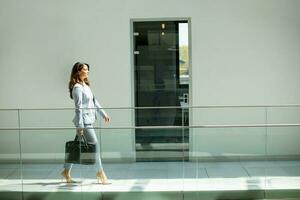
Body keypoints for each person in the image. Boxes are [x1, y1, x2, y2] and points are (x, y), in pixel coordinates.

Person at [61, 62, 111, 184]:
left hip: (89, 120)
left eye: (88, 69)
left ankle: (66, 171)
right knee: (95, 145)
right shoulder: (77, 88)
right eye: (85, 69)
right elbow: (78, 108)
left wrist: (104, 114)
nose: (87, 71)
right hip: (84, 122)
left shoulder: (86, 86)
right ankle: (100, 172)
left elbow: (94, 101)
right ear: (78, 71)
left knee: (74, 148)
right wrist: (80, 126)